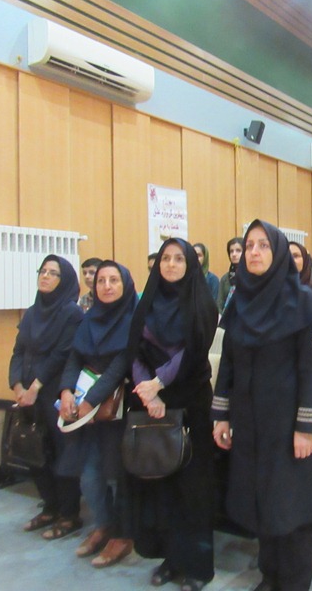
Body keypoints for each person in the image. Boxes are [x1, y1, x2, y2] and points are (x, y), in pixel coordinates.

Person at [212, 220, 312, 591]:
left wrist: (305, 428)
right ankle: (270, 575)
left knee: (290, 507)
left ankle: (294, 582)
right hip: (249, 421)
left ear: (278, 253)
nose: (254, 252)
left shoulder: (303, 301)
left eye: (264, 245)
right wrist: (221, 415)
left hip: (287, 424)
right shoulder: (240, 301)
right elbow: (228, 362)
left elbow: (310, 371)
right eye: (249, 245)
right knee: (260, 501)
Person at [126, 239, 219, 590]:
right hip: (150, 402)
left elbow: (193, 350)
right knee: (160, 485)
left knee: (192, 490)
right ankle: (169, 558)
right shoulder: (146, 301)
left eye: (179, 259)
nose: (171, 264)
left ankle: (196, 567)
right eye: (166, 258)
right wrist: (146, 390)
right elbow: (133, 349)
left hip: (190, 400)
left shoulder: (202, 302)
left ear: (191, 264)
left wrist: (159, 383)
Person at [58, 261, 137, 567]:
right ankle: (103, 526)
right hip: (86, 409)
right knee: (90, 475)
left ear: (125, 284)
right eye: (101, 280)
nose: (106, 286)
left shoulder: (133, 319)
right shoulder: (90, 318)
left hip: (117, 409)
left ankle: (122, 535)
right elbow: (75, 357)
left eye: (114, 280)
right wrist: (66, 390)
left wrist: (90, 401)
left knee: (117, 476)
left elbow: (120, 366)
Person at [9, 255, 84, 536]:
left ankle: (69, 514)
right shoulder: (32, 312)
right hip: (28, 394)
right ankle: (49, 507)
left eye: (53, 273)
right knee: (36, 450)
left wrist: (35, 387)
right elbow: (18, 351)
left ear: (64, 280)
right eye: (43, 271)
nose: (46, 276)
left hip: (55, 390)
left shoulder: (71, 313)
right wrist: (17, 385)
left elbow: (62, 354)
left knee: (62, 453)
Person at [217, 237, 243, 314]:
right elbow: (219, 303)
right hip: (226, 318)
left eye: (238, 250)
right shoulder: (225, 278)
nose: (234, 254)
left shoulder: (251, 276)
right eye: (231, 251)